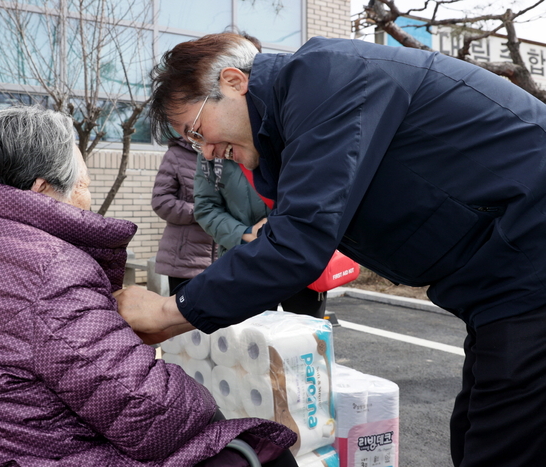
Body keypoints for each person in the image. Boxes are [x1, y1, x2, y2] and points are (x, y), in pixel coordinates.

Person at [114, 32, 546, 467]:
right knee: (476, 431)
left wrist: (168, 312)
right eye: (191, 144)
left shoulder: (326, 78)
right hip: (500, 282)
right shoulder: (297, 120)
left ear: (232, 81)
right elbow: (292, 232)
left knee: (500, 442)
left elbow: (297, 243)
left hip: (530, 254)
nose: (207, 151)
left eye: (197, 130)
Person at [0, 106, 297, 466]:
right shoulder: (49, 268)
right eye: (82, 187)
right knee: (265, 453)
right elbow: (147, 410)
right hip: (46, 452)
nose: (88, 202)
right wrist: (201, 400)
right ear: (42, 191)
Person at [194, 155, 326, 317]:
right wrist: (244, 233)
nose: (196, 139)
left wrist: (277, 225)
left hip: (298, 253)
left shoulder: (285, 132)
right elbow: (205, 207)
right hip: (246, 260)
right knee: (252, 336)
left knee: (308, 335)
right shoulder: (210, 155)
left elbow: (315, 187)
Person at [152, 137, 214, 295]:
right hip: (185, 260)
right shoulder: (176, 155)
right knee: (183, 318)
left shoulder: (228, 153)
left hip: (224, 260)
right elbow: (161, 202)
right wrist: (203, 212)